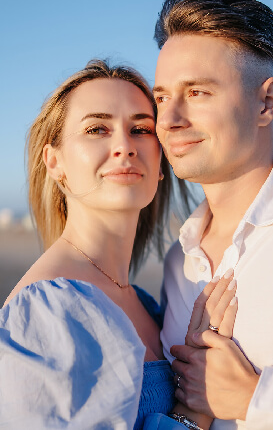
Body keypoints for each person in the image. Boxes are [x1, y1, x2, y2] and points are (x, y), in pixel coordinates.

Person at [0, 59, 237, 429]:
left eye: (141, 129)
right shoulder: (47, 313)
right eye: (97, 129)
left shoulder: (146, 302)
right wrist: (192, 414)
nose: (124, 146)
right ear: (54, 161)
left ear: (161, 161)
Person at [153, 0, 273, 430]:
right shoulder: (177, 262)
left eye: (197, 92)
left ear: (267, 103)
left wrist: (256, 398)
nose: (169, 120)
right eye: (162, 97)